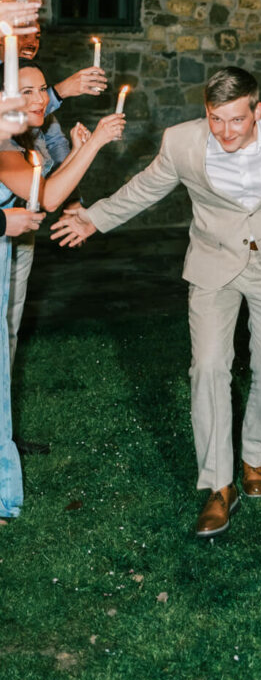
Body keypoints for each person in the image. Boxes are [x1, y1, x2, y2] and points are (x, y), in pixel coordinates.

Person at [51, 67, 261, 539]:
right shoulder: (182, 142)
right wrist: (94, 218)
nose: (226, 131)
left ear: (258, 109)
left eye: (236, 119)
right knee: (208, 367)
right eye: (215, 119)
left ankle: (254, 455)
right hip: (213, 266)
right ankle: (218, 485)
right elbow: (146, 187)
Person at [0, 63, 122, 523]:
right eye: (25, 91)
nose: (37, 99)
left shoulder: (13, 144)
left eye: (39, 90)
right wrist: (95, 146)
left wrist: (75, 153)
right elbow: (48, 198)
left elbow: (41, 193)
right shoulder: (3, 145)